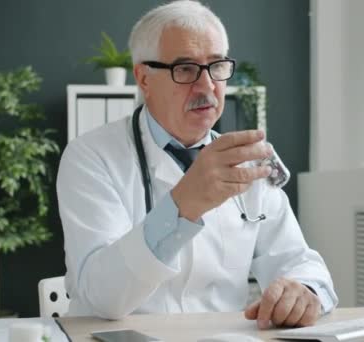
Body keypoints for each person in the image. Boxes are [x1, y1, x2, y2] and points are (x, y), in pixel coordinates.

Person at [57, 0, 337, 329]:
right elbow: (101, 296)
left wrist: (302, 291)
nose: (206, 86)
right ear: (144, 78)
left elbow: (299, 262)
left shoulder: (248, 159)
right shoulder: (91, 157)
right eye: (186, 69)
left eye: (217, 66)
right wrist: (182, 206)